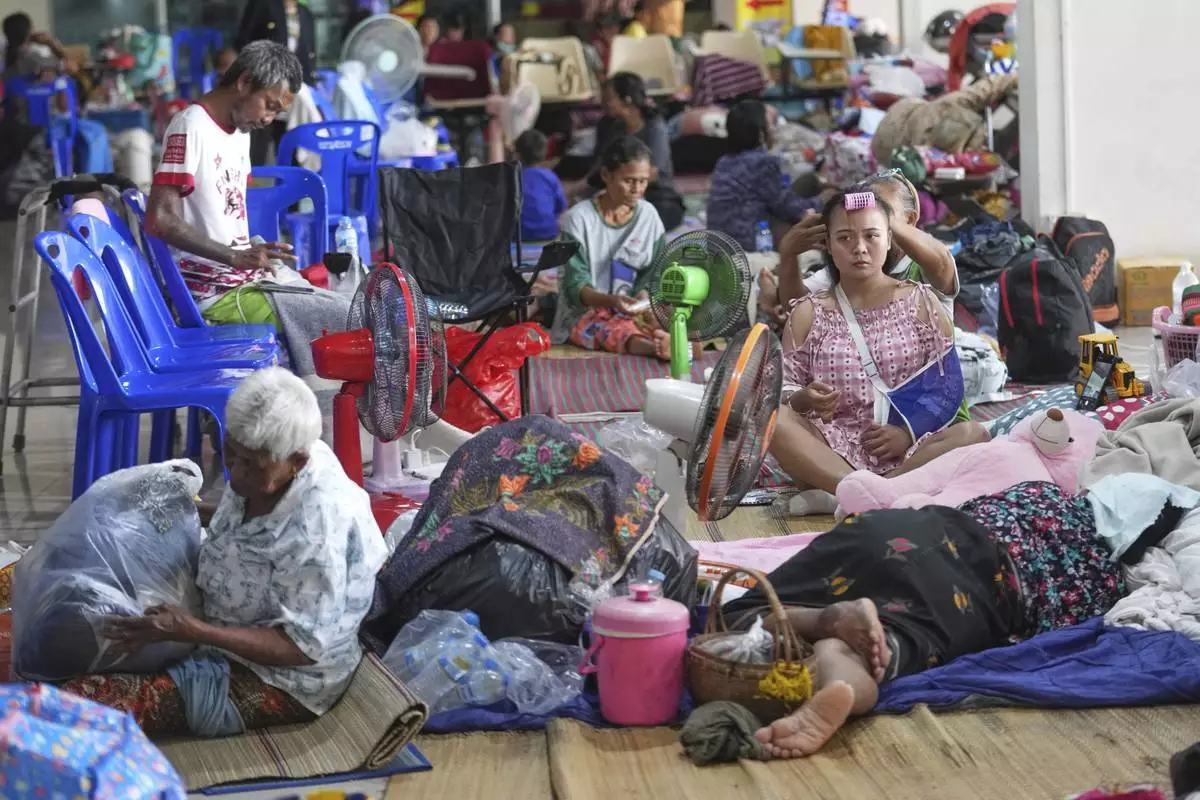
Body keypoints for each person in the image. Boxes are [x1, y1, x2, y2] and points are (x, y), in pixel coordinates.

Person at [61, 368, 388, 738]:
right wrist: (172, 506)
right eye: (231, 453)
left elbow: (301, 647)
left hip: (279, 676)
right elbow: (249, 524)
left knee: (90, 705)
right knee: (84, 613)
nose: (237, 472)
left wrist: (192, 630)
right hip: (215, 623)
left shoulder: (316, 531)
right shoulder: (273, 459)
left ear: (297, 462)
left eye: (252, 465)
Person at [721, 481, 1127, 758]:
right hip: (967, 592)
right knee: (873, 652)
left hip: (895, 530)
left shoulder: (1037, 491)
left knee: (740, 612)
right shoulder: (1101, 573)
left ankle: (820, 618)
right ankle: (838, 664)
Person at [770, 188, 987, 515]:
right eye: (844, 238)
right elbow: (786, 386)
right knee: (773, 420)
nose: (859, 248)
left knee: (974, 434)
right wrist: (801, 399)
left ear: (888, 240)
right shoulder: (807, 312)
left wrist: (906, 432)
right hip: (832, 451)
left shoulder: (921, 301)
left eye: (871, 235)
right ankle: (865, 490)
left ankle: (854, 496)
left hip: (913, 450)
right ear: (827, 244)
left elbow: (947, 386)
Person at [145, 41, 351, 372]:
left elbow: (223, 214)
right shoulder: (190, 126)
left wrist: (248, 251)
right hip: (213, 294)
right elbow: (160, 219)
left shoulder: (241, 133)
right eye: (269, 106)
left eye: (276, 113)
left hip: (243, 278)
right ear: (244, 82)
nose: (269, 119)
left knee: (350, 299)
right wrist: (234, 256)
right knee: (345, 316)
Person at [777, 169, 959, 319]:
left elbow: (942, 265)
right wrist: (788, 256)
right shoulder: (852, 263)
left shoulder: (925, 262)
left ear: (910, 219)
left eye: (885, 211)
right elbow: (796, 308)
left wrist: (879, 216)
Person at [555, 135, 670, 359]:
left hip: (633, 308)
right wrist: (612, 302)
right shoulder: (579, 220)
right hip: (588, 313)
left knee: (677, 313)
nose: (637, 189)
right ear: (606, 175)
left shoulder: (649, 216)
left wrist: (643, 298)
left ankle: (670, 341)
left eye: (643, 181)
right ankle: (655, 348)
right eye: (629, 181)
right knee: (608, 328)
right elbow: (575, 287)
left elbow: (654, 274)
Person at [706, 99, 827, 253]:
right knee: (808, 224)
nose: (774, 130)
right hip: (747, 244)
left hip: (717, 244)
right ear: (760, 134)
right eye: (770, 125)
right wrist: (825, 200)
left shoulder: (723, 162)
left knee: (808, 182)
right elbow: (789, 208)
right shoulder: (762, 163)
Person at [589, 72, 684, 231]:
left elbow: (653, 173)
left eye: (610, 97)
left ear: (627, 99)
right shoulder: (616, 128)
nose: (606, 103)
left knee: (660, 214)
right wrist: (576, 190)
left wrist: (622, 185)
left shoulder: (655, 127)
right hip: (620, 193)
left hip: (656, 194)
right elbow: (600, 166)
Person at [235, 0, 317, 165]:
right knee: (259, 133)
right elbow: (243, 42)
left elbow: (310, 52)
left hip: (294, 86)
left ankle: (292, 172)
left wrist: (309, 83)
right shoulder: (262, 5)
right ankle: (252, 173)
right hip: (264, 82)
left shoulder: (305, 13)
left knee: (289, 135)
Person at [515, 129, 567, 243]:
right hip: (548, 232)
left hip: (520, 234)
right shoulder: (550, 176)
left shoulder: (512, 177)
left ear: (518, 154)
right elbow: (561, 207)